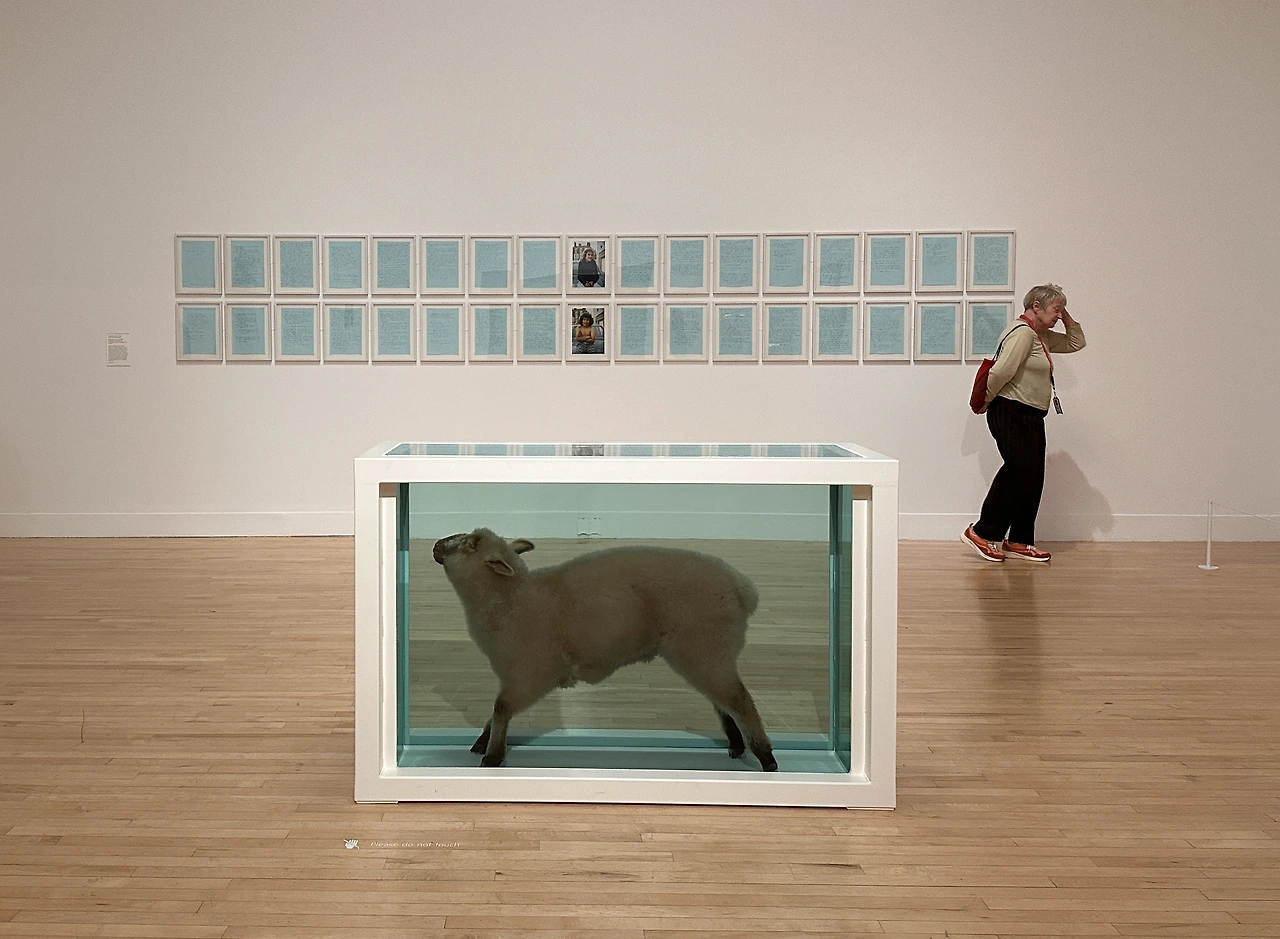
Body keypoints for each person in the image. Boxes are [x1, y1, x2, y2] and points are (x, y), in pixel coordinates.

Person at [962, 284, 1086, 563]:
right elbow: (1000, 372)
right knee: (1018, 471)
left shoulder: (1040, 335)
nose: (1058, 315)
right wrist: (985, 401)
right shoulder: (1022, 334)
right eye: (1055, 309)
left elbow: (1075, 343)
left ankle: (1020, 539)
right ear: (1036, 307)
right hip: (1011, 410)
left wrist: (1065, 315)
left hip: (1030, 414)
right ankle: (982, 532)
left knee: (1032, 476)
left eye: (1061, 310)